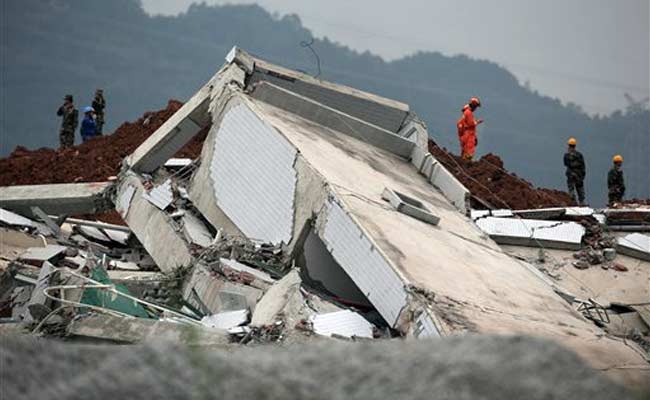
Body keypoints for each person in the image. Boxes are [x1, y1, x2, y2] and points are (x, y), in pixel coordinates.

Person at [563, 137, 586, 205]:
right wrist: (582, 175)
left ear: (569, 145)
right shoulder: (579, 155)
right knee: (580, 188)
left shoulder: (566, 155)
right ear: (575, 145)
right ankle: (582, 202)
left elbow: (566, 164)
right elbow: (583, 166)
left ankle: (573, 201)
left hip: (571, 174)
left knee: (571, 188)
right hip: (579, 175)